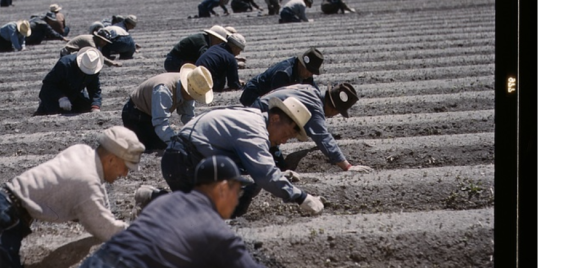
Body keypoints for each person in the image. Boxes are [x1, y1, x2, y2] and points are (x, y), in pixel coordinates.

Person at [0, 126, 145, 268]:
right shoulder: (86, 183)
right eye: (125, 167)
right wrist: (137, 234)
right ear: (111, 159)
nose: (125, 174)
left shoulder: (82, 151)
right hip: (0, 221)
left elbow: (95, 192)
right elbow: (103, 227)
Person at [80, 156, 267, 268]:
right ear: (222, 189)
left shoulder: (164, 202)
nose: (238, 199)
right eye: (238, 191)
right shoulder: (216, 231)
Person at [159, 96, 325, 218]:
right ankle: (155, 202)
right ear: (275, 119)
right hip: (183, 161)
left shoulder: (253, 117)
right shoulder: (255, 130)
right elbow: (265, 174)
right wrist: (302, 198)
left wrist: (279, 176)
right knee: (202, 219)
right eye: (286, 134)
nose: (283, 141)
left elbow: (255, 168)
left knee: (243, 188)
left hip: (185, 158)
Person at [249, 83, 374, 174]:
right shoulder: (314, 107)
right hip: (261, 119)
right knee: (271, 166)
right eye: (337, 112)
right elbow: (323, 138)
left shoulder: (311, 90)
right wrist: (347, 166)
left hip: (260, 111)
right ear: (333, 108)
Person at [121, 64, 214, 150]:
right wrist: (177, 142)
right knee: (157, 146)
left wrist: (198, 135)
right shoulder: (164, 90)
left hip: (151, 114)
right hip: (136, 115)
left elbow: (188, 116)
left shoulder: (189, 85)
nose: (195, 98)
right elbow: (160, 123)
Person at [239, 47, 323, 107]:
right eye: (309, 71)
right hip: (254, 96)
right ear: (301, 64)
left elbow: (314, 92)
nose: (310, 75)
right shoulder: (284, 73)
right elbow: (278, 100)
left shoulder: (305, 73)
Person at [34, 47, 103, 115]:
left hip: (74, 93)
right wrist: (61, 97)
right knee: (55, 113)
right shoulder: (65, 64)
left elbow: (95, 89)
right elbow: (48, 84)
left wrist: (95, 106)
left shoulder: (93, 69)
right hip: (55, 94)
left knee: (86, 108)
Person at [163, 25, 229, 72]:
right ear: (215, 38)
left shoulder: (204, 39)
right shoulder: (203, 42)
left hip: (177, 60)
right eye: (219, 41)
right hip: (174, 62)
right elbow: (205, 59)